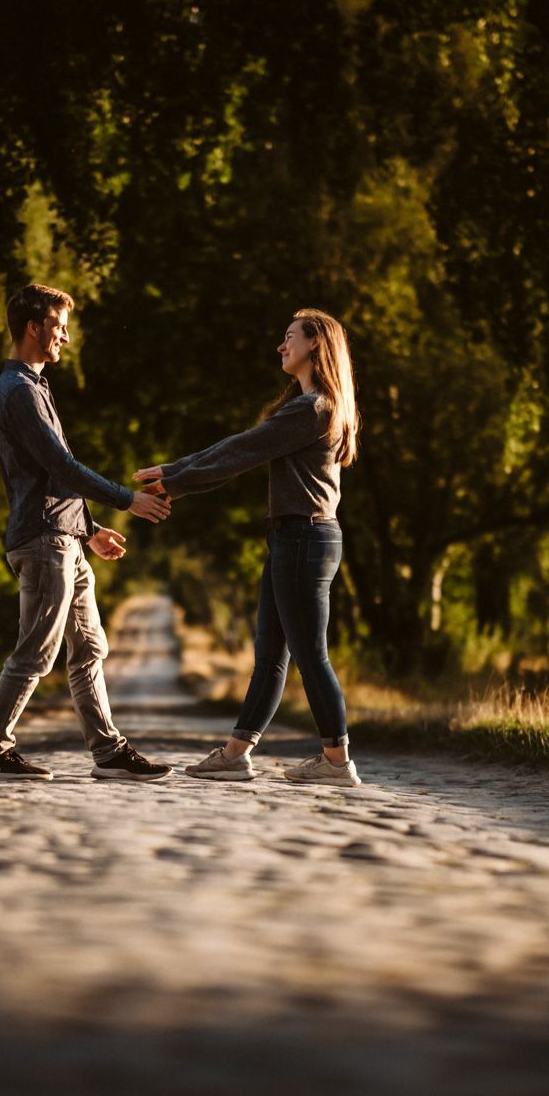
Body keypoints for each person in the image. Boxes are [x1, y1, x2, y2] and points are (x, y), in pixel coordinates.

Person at [135, 308, 363, 787]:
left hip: (304, 537)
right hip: (292, 537)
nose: (281, 347)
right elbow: (241, 444)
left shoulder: (313, 408)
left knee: (309, 654)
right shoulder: (309, 406)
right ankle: (237, 754)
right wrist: (175, 471)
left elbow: (241, 451)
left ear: (316, 345)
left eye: (289, 338)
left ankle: (337, 763)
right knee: (271, 655)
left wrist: (175, 480)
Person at [0, 283, 175, 783]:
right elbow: (61, 466)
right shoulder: (18, 391)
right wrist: (128, 500)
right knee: (36, 650)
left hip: (63, 538)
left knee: (89, 648)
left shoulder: (35, 386)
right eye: (59, 326)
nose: (65, 336)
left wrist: (89, 529)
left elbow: (51, 476)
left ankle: (108, 751)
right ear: (33, 327)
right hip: (43, 542)